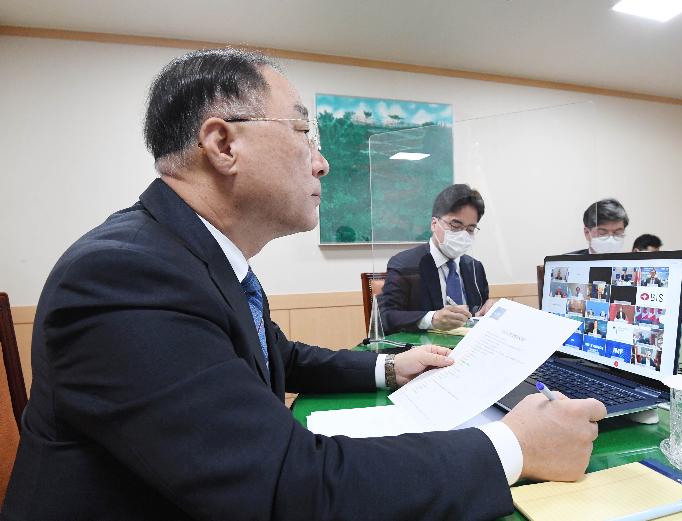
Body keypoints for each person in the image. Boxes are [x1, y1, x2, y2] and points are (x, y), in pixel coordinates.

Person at [1, 48, 606, 521]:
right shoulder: (123, 276)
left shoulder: (190, 253)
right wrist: (513, 448)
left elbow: (279, 355)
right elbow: (286, 492)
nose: (321, 162)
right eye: (303, 135)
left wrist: (387, 370)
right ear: (222, 144)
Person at [378, 184, 493, 334]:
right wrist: (432, 319)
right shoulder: (405, 264)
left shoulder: (474, 267)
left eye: (470, 229)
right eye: (455, 225)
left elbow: (477, 312)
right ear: (434, 224)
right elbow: (385, 317)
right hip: (425, 350)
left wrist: (488, 311)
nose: (463, 235)